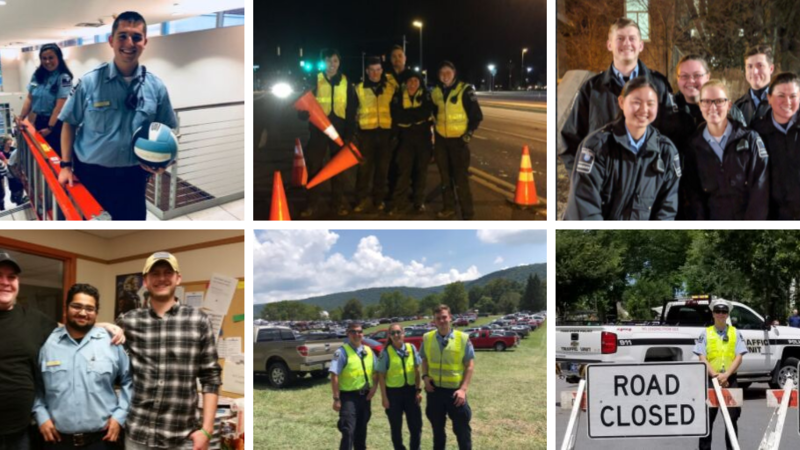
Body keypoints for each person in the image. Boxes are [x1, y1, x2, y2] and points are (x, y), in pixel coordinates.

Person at [58, 11, 177, 220]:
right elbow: (69, 124)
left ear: (145, 42)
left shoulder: (156, 87)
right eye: (122, 36)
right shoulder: (89, 82)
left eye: (136, 37)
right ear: (111, 40)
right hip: (91, 174)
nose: (129, 43)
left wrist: (164, 161)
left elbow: (168, 129)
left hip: (133, 177)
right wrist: (66, 166)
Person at [0, 253, 122, 450]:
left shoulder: (34, 320)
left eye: (11, 277)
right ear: (66, 308)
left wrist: (102, 326)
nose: (5, 282)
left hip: (20, 431)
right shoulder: (49, 340)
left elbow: (67, 326)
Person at [117, 252, 221, 449]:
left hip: (181, 437)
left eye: (168, 272)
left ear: (178, 278)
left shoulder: (198, 321)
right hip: (138, 435)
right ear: (145, 281)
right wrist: (108, 326)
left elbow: (211, 377)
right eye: (154, 273)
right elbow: (99, 343)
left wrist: (206, 430)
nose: (162, 278)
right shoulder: (129, 320)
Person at [560, 17, 673, 175]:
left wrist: (661, 181)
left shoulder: (659, 85)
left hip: (647, 185)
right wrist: (581, 178)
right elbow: (569, 141)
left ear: (641, 45)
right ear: (609, 45)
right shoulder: (591, 89)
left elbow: (671, 138)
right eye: (620, 38)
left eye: (632, 38)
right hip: (602, 187)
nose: (627, 43)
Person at [564, 77, 681, 220]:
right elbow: (584, 206)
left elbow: (667, 209)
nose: (644, 109)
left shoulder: (666, 152)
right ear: (621, 102)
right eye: (636, 102)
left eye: (651, 104)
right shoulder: (597, 146)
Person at [33, 283, 133, 449]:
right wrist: (41, 416)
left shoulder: (112, 342)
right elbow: (35, 384)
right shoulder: (47, 343)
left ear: (96, 313)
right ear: (66, 308)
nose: (82, 313)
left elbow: (128, 380)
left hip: (102, 440)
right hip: (56, 440)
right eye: (76, 306)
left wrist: (120, 416)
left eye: (89, 308)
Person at [682, 80, 768, 220]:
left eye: (719, 101)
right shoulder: (693, 146)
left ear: (729, 105)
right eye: (707, 102)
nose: (713, 107)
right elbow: (694, 196)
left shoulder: (750, 139)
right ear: (700, 105)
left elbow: (760, 188)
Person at [299, 48, 358, 218]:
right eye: (328, 60)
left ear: (339, 63)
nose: (332, 64)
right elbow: (305, 103)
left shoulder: (346, 82)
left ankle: (337, 205)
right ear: (322, 62)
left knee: (337, 170)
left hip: (339, 131)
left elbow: (351, 109)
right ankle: (311, 204)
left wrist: (349, 134)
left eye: (335, 61)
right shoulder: (314, 80)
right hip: (318, 130)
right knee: (314, 168)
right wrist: (302, 115)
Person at [431, 61, 483, 219]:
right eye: (442, 73)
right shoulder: (436, 92)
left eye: (448, 72)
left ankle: (467, 213)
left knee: (461, 180)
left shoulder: (465, 90)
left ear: (454, 73)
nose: (445, 76)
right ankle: (449, 208)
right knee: (445, 178)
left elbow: (477, 116)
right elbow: (433, 113)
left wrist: (466, 136)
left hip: (458, 143)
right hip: (441, 142)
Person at [694, 299, 747, 450]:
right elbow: (701, 357)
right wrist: (716, 376)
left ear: (728, 314)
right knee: (707, 420)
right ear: (713, 313)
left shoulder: (735, 332)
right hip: (711, 380)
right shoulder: (706, 333)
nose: (721, 314)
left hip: (731, 380)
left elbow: (739, 356)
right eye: (718, 311)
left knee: (732, 419)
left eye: (724, 312)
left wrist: (727, 374)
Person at [420, 304, 475, 450]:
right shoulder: (427, 338)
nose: (442, 320)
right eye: (438, 318)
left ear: (450, 318)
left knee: (462, 430)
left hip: (455, 393)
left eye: (444, 317)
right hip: (434, 392)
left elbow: (469, 365)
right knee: (437, 431)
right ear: (434, 321)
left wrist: (463, 389)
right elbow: (424, 360)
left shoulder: (462, 338)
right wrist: (425, 377)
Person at [751, 72, 800, 219]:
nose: (787, 101)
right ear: (769, 98)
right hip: (772, 215)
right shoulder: (756, 131)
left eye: (793, 96)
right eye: (781, 96)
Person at [352, 56, 397, 214]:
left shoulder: (390, 88)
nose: (375, 73)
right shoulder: (358, 89)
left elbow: (396, 112)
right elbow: (352, 111)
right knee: (364, 170)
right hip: (366, 135)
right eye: (372, 70)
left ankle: (378, 200)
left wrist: (395, 134)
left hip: (385, 134)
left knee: (382, 170)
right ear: (367, 71)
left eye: (378, 70)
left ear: (382, 71)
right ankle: (361, 200)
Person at [389, 71, 434, 215]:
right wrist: (416, 117)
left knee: (421, 172)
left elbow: (426, 113)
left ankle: (418, 202)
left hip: (423, 140)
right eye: (410, 81)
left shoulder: (427, 96)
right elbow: (397, 116)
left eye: (416, 80)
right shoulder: (397, 97)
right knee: (403, 172)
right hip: (405, 140)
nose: (413, 83)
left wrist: (409, 117)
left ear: (420, 83)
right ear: (405, 83)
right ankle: (398, 203)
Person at [18, 43, 73, 156]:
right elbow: (29, 98)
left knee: (54, 155)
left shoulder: (64, 78)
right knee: (40, 152)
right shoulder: (38, 75)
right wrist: (21, 117)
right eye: (44, 58)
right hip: (39, 121)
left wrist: (50, 127)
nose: (47, 61)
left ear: (59, 58)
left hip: (55, 124)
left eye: (51, 58)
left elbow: (59, 106)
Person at [330, 322, 378, 450]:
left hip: (365, 397)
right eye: (353, 332)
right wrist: (336, 399)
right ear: (348, 334)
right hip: (348, 398)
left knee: (361, 431)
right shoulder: (342, 352)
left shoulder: (368, 351)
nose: (357, 334)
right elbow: (334, 375)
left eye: (359, 332)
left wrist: (374, 389)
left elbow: (376, 372)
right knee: (348, 431)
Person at [377, 323, 423, 450]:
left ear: (403, 333)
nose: (396, 335)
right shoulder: (386, 352)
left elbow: (417, 371)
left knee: (416, 425)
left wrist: (418, 391)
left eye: (398, 332)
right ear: (389, 336)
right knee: (396, 427)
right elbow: (381, 376)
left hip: (410, 392)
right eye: (393, 333)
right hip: (393, 394)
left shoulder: (411, 348)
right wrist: (384, 398)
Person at [734, 45, 774, 126]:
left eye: (760, 66)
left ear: (771, 69)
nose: (754, 71)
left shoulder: (784, 102)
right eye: (750, 66)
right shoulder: (738, 106)